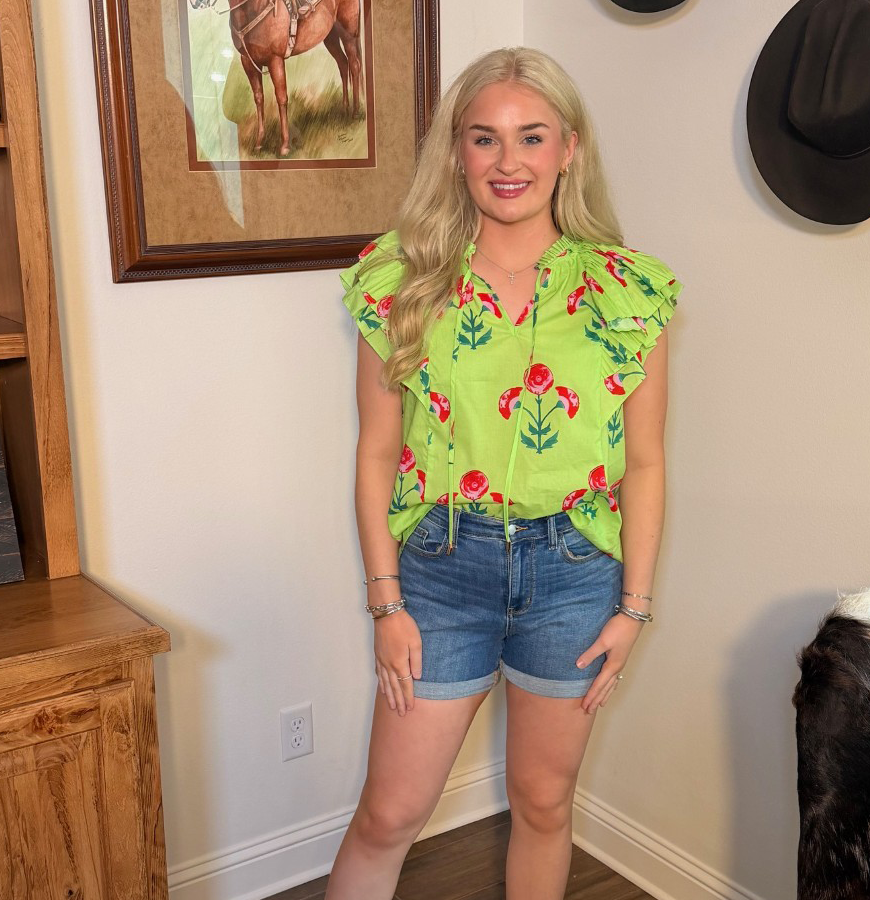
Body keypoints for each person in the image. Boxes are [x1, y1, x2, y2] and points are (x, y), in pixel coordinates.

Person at [326, 46, 683, 900]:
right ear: (457, 151)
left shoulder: (629, 291)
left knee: (544, 803)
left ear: (569, 149)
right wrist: (386, 604)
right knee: (387, 816)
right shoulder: (403, 279)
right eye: (484, 138)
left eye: (532, 136)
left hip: (573, 576)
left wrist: (633, 608)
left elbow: (644, 463)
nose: (508, 160)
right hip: (443, 571)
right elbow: (376, 452)